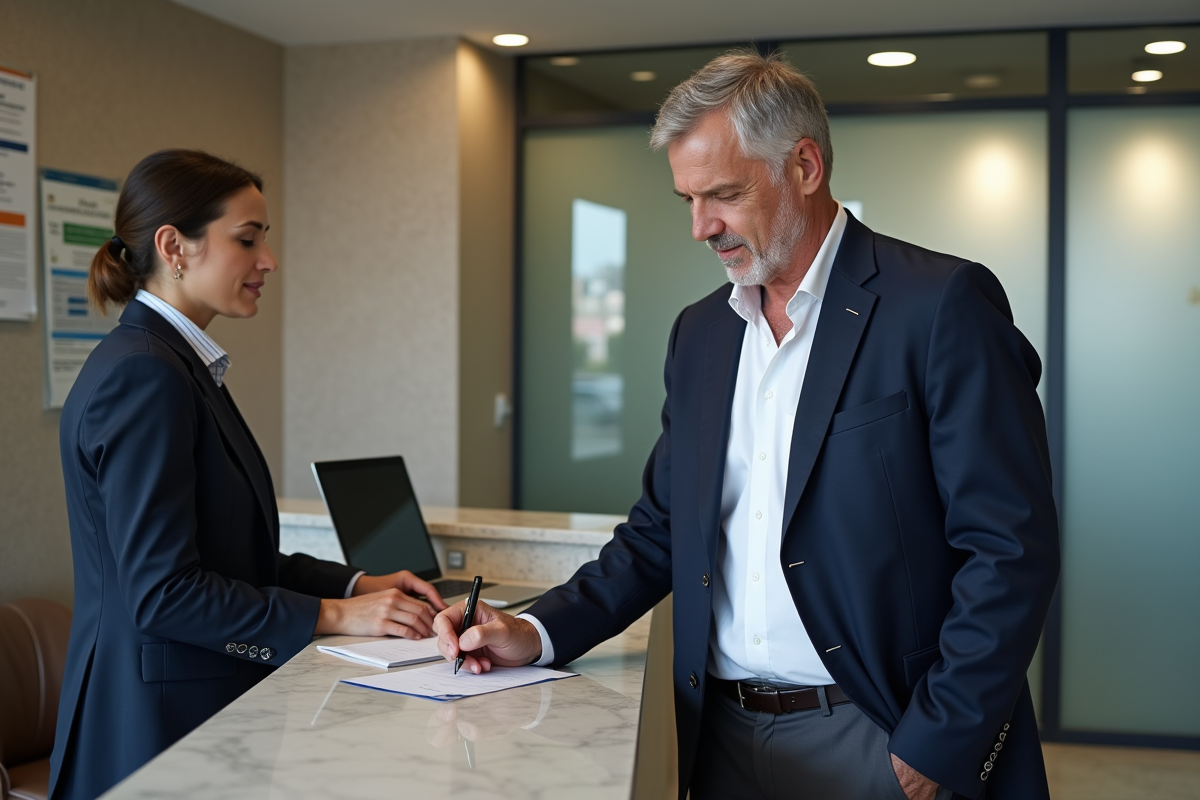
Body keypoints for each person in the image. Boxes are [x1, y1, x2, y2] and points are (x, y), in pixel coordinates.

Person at [434, 52, 1059, 800]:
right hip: (721, 737)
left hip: (882, 733)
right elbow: (660, 530)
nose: (701, 227)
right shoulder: (701, 333)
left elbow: (1009, 549)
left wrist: (936, 744)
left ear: (803, 165)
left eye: (723, 194)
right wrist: (535, 632)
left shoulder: (940, 306)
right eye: (687, 200)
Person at [49, 149, 448, 800]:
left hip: (190, 710)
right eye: (247, 240)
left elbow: (226, 551)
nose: (269, 261)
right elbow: (164, 593)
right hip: (151, 730)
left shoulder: (177, 364)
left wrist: (355, 582)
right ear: (174, 246)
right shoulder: (146, 374)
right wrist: (334, 614)